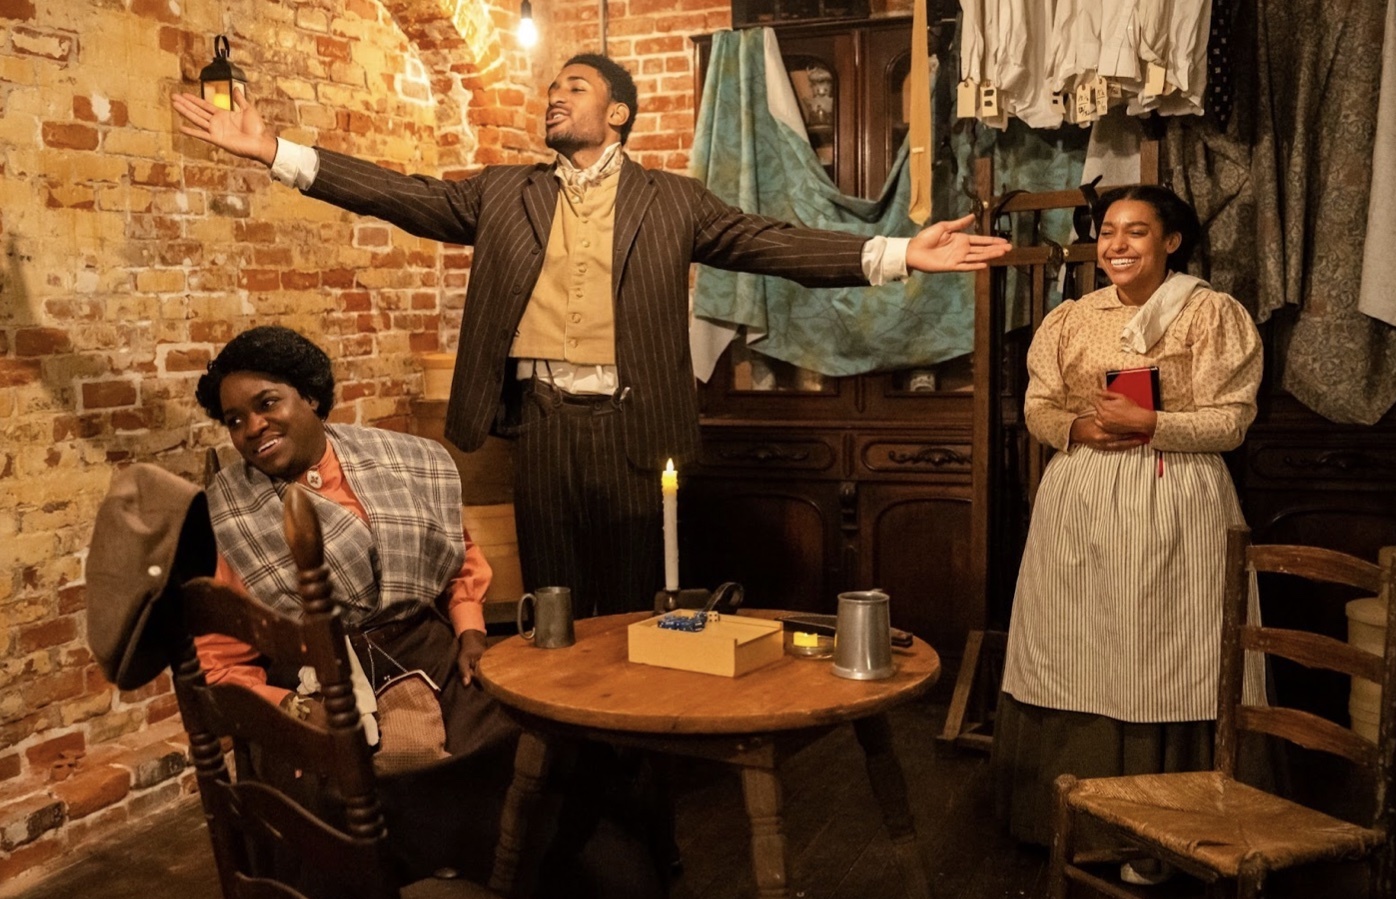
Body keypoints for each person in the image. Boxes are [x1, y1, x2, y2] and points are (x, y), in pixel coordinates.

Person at [171, 53, 1011, 618]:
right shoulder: (503, 194)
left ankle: (634, 784)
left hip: (632, 428)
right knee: (551, 604)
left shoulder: (674, 200)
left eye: (573, 86)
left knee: (631, 603)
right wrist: (274, 149)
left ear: (619, 113)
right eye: (550, 89)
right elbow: (399, 194)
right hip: (538, 423)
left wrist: (900, 250)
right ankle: (561, 779)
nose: (554, 95)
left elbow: (771, 244)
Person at [991, 185, 1266, 880]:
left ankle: (1174, 832)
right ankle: (1071, 815)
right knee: (1076, 639)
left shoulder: (1209, 315)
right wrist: (1077, 426)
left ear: (1170, 241)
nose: (1116, 244)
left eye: (1135, 232)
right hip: (1080, 498)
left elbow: (1230, 421)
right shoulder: (1070, 317)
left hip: (1174, 495)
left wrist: (1151, 424)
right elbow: (1038, 404)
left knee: (1170, 644)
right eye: (1107, 230)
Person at [193, 325, 518, 877]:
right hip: (320, 685)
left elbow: (456, 553)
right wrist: (294, 710)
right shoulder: (229, 517)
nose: (252, 428)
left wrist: (469, 629)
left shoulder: (400, 459)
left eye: (266, 403)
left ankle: (500, 879)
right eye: (235, 420)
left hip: (431, 654)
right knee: (354, 802)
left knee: (523, 748)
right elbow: (220, 666)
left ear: (311, 396)